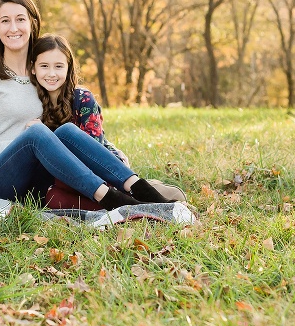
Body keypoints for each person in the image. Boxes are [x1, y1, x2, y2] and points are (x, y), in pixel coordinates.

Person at [0, 0, 172, 210]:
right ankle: (111, 198)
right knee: (39, 134)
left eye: (20, 19)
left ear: (32, 24)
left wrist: (111, 151)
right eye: (5, 21)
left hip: (37, 180)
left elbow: (73, 117)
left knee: (65, 131)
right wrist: (30, 140)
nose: (13, 27)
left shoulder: (42, 74)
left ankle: (140, 188)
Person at [30, 34, 186, 209]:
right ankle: (133, 206)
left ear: (68, 68)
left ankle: (147, 194)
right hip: (60, 181)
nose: (51, 73)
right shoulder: (30, 103)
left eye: (58, 66)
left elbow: (92, 149)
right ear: (33, 68)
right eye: (44, 66)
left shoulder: (82, 99)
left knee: (66, 134)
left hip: (96, 174)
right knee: (53, 198)